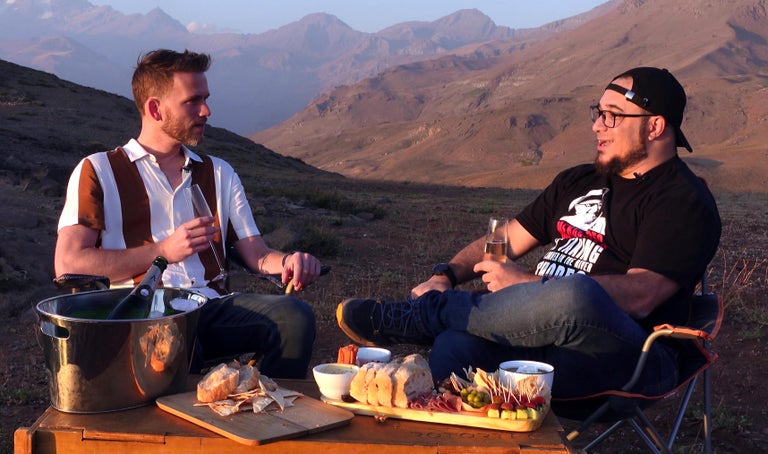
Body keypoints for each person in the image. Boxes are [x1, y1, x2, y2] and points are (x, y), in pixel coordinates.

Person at [337, 67, 721, 401]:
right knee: (456, 345)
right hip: (537, 333)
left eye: (612, 116)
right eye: (598, 113)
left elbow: (642, 295)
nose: (596, 126)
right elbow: (504, 241)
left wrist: (533, 284)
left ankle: (422, 317)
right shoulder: (579, 180)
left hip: (627, 355)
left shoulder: (682, 199)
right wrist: (446, 275)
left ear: (654, 125)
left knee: (576, 293)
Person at [54, 49, 323, 379]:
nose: (206, 110)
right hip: (137, 318)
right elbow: (69, 263)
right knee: (173, 345)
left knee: (294, 317)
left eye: (206, 99)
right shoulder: (97, 171)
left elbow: (258, 254)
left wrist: (290, 261)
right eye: (193, 101)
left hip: (208, 310)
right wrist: (162, 252)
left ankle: (269, 409)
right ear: (155, 109)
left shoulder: (219, 173)